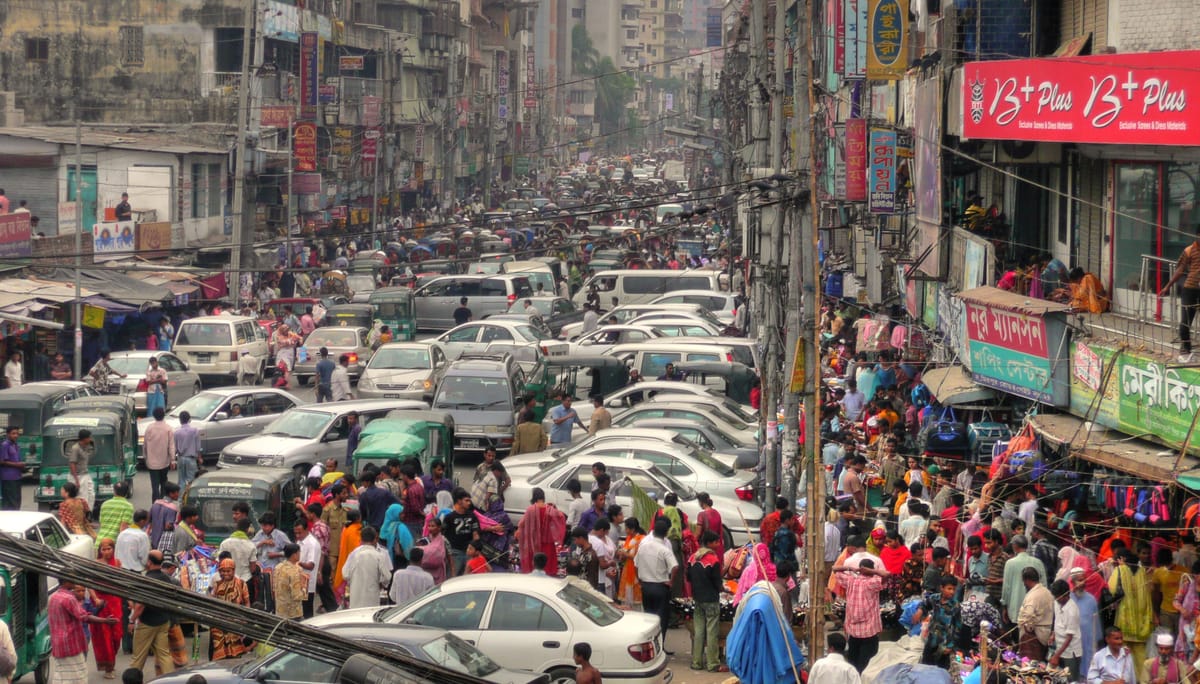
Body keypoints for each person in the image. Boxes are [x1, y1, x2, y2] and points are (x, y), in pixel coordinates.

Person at [50, 580, 119, 684]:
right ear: (65, 580)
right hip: (71, 644)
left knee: (62, 674)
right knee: (77, 676)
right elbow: (84, 616)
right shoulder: (69, 598)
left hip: (59, 644)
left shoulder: (54, 597)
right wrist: (105, 620)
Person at [833, 558, 886, 673]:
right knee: (867, 665)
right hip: (869, 631)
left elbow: (834, 569)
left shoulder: (851, 581)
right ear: (870, 570)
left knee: (853, 662)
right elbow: (887, 574)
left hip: (853, 631)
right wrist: (873, 572)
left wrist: (850, 568)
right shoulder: (872, 582)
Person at [129, 551, 175, 677]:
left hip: (147, 623)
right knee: (164, 656)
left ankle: (132, 680)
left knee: (138, 658)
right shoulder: (166, 578)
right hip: (163, 621)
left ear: (149, 562)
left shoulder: (147, 580)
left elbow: (140, 606)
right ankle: (170, 680)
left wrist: (132, 620)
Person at [636, 517, 679, 649]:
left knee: (648, 618)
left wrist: (639, 579)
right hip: (660, 587)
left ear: (653, 531)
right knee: (661, 619)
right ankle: (659, 646)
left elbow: (635, 564)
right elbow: (675, 567)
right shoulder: (664, 548)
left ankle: (648, 646)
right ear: (666, 533)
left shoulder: (643, 545)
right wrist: (671, 582)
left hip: (646, 586)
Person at [687, 530, 727, 673]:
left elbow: (688, 577)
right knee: (711, 632)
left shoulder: (692, 558)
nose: (718, 544)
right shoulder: (713, 560)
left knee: (698, 631)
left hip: (697, 599)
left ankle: (696, 662)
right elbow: (717, 582)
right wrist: (724, 589)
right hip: (711, 600)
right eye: (716, 541)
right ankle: (713, 664)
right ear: (710, 543)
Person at [1162, 225, 1200, 361]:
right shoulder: (1189, 250)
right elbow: (1179, 270)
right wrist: (1167, 286)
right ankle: (1185, 351)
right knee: (1185, 324)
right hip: (1190, 289)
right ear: (1197, 235)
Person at [91, 539, 125, 678]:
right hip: (101, 604)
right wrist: (96, 599)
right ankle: (108, 668)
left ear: (113, 549)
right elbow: (90, 584)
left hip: (115, 602)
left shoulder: (117, 563)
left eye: (108, 549)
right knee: (105, 637)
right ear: (100, 551)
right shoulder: (95, 564)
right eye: (103, 549)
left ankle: (112, 662)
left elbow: (121, 583)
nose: (106, 552)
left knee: (117, 636)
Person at [516, 487, 566, 575]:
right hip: (548, 543)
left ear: (534, 497)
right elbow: (561, 517)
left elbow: (521, 524)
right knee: (548, 568)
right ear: (543, 497)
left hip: (534, 544)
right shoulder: (550, 509)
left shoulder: (530, 510)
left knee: (535, 566)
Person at [208, 559, 251, 660]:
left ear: (233, 571)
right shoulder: (217, 584)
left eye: (228, 571)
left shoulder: (241, 583)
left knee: (235, 653)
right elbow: (214, 602)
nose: (225, 573)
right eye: (223, 571)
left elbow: (247, 602)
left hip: (235, 622)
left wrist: (246, 620)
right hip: (219, 623)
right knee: (220, 653)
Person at [341, 527, 391, 608]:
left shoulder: (354, 554)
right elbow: (387, 577)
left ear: (361, 539)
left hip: (355, 598)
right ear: (375, 539)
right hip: (372, 599)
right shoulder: (379, 556)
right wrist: (381, 584)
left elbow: (345, 574)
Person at [1017, 566, 1055, 660]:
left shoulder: (1033, 596)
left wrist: (1028, 629)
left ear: (1027, 580)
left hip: (1033, 636)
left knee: (1030, 667)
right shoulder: (1047, 592)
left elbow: (1028, 616)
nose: (1024, 584)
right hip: (1045, 634)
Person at [142, 407, 175, 503]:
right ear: (164, 415)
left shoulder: (149, 428)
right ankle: (164, 503)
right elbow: (171, 446)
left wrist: (145, 457)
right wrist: (173, 460)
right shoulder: (168, 428)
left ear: (154, 416)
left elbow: (145, 445)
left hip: (152, 463)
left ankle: (155, 505)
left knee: (155, 486)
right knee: (164, 483)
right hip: (164, 462)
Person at [272, 543, 306, 619]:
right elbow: (297, 595)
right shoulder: (296, 571)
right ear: (294, 555)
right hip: (293, 613)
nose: (300, 554)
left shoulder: (278, 567)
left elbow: (274, 587)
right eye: (299, 552)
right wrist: (304, 588)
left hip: (280, 611)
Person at [295, 521, 322, 618]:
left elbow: (311, 565)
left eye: (299, 533)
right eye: (296, 533)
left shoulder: (312, 544)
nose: (297, 535)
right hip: (298, 580)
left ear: (307, 530)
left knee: (307, 611)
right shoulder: (299, 541)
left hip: (307, 583)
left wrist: (297, 562)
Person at [417, 517, 449, 585]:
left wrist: (453, 571)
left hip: (439, 571)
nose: (430, 528)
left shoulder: (443, 540)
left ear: (439, 528)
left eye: (433, 526)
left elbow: (449, 556)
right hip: (425, 571)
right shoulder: (425, 540)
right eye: (429, 526)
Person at [173, 412, 200, 492]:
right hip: (191, 458)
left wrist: (173, 459)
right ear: (189, 419)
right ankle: (189, 498)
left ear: (180, 420)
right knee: (191, 480)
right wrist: (199, 457)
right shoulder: (195, 431)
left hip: (181, 458)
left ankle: (181, 499)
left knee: (181, 480)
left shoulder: (177, 433)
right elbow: (198, 447)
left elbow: (174, 448)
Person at [0, 427, 19, 511]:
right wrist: (17, 465)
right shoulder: (5, 445)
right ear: (8, 434)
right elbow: (2, 461)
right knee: (10, 503)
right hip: (8, 478)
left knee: (16, 500)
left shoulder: (15, 445)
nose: (16, 435)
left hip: (17, 477)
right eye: (13, 433)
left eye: (17, 434)